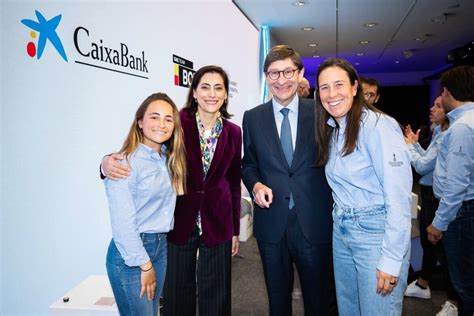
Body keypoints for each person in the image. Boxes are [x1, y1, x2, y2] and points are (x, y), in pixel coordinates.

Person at [102, 65, 242, 315]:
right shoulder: (178, 121)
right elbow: (148, 150)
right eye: (205, 87)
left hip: (218, 221)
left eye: (218, 88)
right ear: (195, 92)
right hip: (178, 221)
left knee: (217, 294)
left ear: (225, 95)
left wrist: (234, 229)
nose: (212, 94)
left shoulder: (234, 132)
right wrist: (105, 163)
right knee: (177, 294)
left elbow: (233, 181)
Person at [242, 45, 335, 315]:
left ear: (300, 73)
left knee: (319, 299)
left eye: (287, 72)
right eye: (273, 73)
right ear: (266, 77)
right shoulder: (253, 117)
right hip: (272, 224)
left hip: (313, 222)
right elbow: (248, 164)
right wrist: (256, 184)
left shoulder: (321, 111)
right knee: (277, 299)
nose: (281, 80)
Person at [314, 58, 412, 315]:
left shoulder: (378, 126)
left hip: (374, 233)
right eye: (324, 87)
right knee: (349, 309)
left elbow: (398, 197)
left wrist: (391, 260)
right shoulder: (334, 128)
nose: (331, 94)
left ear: (355, 87)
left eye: (338, 85)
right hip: (343, 229)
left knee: (377, 309)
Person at [104, 93, 187, 315]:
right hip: (133, 254)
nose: (162, 124)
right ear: (140, 122)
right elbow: (123, 223)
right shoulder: (124, 162)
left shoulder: (166, 158)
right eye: (154, 117)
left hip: (160, 246)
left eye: (168, 119)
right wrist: (145, 264)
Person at [403, 97, 458, 314]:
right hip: (428, 193)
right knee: (429, 244)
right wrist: (415, 144)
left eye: (438, 106)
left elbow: (423, 165)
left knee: (444, 249)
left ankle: (455, 301)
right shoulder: (437, 129)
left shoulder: (448, 133)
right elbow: (427, 158)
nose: (432, 109)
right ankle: (423, 284)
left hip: (437, 197)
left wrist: (409, 148)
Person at [427, 65, 474, 316]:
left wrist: (438, 223)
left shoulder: (462, 128)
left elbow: (456, 185)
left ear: (448, 92)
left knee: (464, 283)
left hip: (462, 212)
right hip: (466, 209)